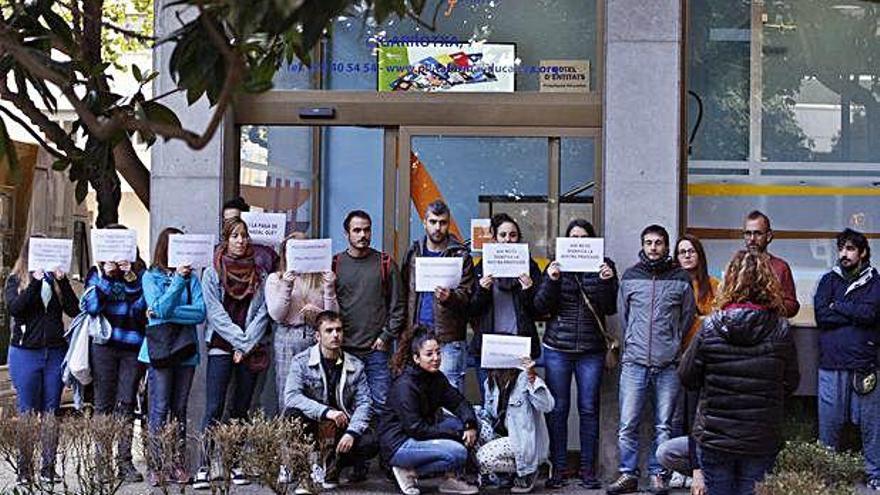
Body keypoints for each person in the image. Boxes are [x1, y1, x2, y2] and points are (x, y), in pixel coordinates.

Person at [679, 250, 799, 495]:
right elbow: (791, 381)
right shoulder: (780, 329)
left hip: (715, 436)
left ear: (730, 281)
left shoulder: (711, 326)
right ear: (769, 283)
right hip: (761, 435)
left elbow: (687, 376)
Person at [607, 224, 695, 495]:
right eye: (648, 242)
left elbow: (687, 317)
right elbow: (624, 317)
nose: (653, 247)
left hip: (667, 364)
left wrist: (671, 344)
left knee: (663, 424)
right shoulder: (631, 276)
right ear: (642, 245)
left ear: (667, 247)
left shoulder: (680, 278)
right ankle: (628, 474)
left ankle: (659, 475)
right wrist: (633, 342)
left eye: (658, 243)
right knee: (627, 424)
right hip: (634, 363)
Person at [533, 219, 617, 489]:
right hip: (558, 347)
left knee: (589, 409)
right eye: (574, 237)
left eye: (583, 237)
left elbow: (610, 307)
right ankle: (557, 469)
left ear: (591, 241)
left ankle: (587, 470)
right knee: (558, 409)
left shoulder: (605, 265)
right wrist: (551, 280)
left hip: (591, 350)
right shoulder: (556, 266)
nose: (578, 242)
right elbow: (540, 306)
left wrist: (606, 281)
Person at [194, 217, 271, 489]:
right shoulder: (212, 271)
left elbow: (263, 313)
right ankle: (204, 465)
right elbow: (214, 313)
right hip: (221, 346)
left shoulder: (259, 272)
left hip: (248, 347)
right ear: (226, 239)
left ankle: (234, 462)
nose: (241, 241)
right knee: (214, 406)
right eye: (235, 236)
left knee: (241, 407)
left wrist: (246, 345)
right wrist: (238, 342)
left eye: (244, 235)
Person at [5, 235, 79, 485]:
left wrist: (63, 281)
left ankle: (48, 467)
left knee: (51, 411)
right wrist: (35, 282)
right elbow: (16, 308)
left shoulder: (55, 281)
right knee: (27, 410)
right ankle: (24, 470)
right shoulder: (16, 279)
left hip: (54, 352)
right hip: (25, 353)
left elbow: (74, 309)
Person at [140, 227, 207, 486]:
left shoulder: (194, 278)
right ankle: (156, 465)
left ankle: (175, 463)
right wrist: (177, 281)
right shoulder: (151, 276)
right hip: (160, 350)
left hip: (186, 350)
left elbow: (199, 313)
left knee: (179, 409)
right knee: (158, 408)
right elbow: (159, 307)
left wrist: (165, 312)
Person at [814, 228, 880, 490]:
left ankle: (874, 474)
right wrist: (853, 312)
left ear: (863, 253)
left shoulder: (875, 282)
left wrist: (838, 306)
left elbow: (870, 315)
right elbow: (822, 316)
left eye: (850, 249)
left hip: (864, 365)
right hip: (831, 364)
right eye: (841, 248)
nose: (844, 253)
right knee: (829, 428)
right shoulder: (828, 280)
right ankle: (826, 477)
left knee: (871, 428)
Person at [82, 223, 149, 483]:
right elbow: (92, 307)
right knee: (103, 404)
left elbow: (139, 309)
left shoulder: (141, 272)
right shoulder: (95, 272)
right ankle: (101, 463)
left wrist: (130, 279)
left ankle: (124, 462)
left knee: (127, 402)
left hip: (131, 347)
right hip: (104, 347)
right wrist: (107, 278)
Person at [284, 311, 378, 491]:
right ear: (317, 336)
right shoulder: (301, 362)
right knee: (292, 415)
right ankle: (306, 469)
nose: (335, 335)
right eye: (329, 331)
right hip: (314, 422)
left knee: (370, 441)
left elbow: (365, 403)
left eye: (339, 330)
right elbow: (292, 396)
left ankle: (334, 467)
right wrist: (326, 411)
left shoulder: (355, 366)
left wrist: (352, 432)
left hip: (341, 426)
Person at [379, 326, 480, 495]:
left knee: (466, 426)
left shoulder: (436, 378)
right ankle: (407, 472)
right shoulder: (405, 385)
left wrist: (469, 425)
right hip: (399, 443)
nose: (436, 358)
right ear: (416, 358)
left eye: (438, 352)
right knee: (458, 452)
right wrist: (455, 434)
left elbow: (459, 403)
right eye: (429, 354)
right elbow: (416, 429)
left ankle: (448, 480)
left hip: (420, 433)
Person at [333, 210, 404, 407]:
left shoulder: (386, 264)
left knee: (382, 403)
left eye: (367, 230)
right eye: (357, 230)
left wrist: (385, 337)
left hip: (376, 350)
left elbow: (398, 306)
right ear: (346, 234)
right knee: (344, 403)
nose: (363, 235)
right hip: (343, 349)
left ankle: (382, 439)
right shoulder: (334, 264)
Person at [401, 200, 474, 391]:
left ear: (448, 224)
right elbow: (404, 292)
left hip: (448, 338)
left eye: (442, 222)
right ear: (424, 223)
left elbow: (468, 296)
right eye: (433, 222)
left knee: (450, 394)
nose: (437, 228)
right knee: (417, 394)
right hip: (417, 335)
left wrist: (450, 297)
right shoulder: (414, 252)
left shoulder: (460, 254)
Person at [665, 234, 719, 492]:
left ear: (700, 255)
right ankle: (679, 470)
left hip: (707, 361)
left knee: (699, 416)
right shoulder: (672, 285)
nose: (686, 255)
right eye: (681, 252)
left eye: (691, 251)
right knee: (677, 416)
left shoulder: (714, 285)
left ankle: (698, 469)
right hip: (678, 357)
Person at [468, 213, 541, 399]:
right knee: (490, 403)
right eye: (503, 235)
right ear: (494, 238)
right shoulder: (482, 267)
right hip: (489, 347)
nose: (508, 240)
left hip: (520, 346)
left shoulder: (530, 268)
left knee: (519, 405)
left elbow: (538, 310)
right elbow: (471, 310)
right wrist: (482, 290)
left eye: (513, 235)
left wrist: (527, 290)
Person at [266, 232, 338, 413]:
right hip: (288, 337)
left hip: (316, 337)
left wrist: (327, 293)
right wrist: (287, 286)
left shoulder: (320, 278)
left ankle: (313, 438)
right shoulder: (276, 278)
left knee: (317, 390)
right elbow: (276, 315)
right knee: (288, 390)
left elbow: (333, 316)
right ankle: (288, 438)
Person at [475, 358, 554, 494]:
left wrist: (532, 376)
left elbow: (547, 406)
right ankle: (507, 474)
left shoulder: (524, 378)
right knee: (473, 426)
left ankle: (529, 470)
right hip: (503, 436)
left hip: (522, 441)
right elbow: (489, 415)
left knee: (483, 457)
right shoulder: (490, 382)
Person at [742, 210, 799, 318]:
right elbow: (725, 300)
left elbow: (792, 306)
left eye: (758, 233)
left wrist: (770, 304)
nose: (752, 239)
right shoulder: (737, 266)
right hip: (741, 329)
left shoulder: (781, 267)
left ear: (768, 236)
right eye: (748, 233)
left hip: (770, 329)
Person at [221, 196, 280, 275]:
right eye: (227, 221)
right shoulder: (217, 253)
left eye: (236, 220)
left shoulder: (267, 254)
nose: (231, 225)